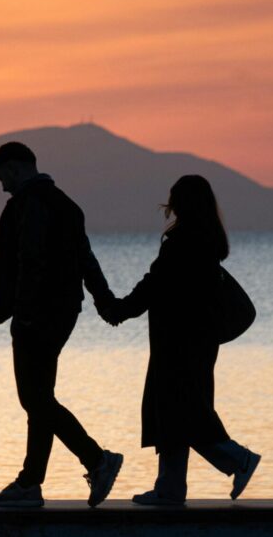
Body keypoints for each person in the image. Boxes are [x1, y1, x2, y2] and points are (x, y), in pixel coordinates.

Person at [99, 174, 260, 505]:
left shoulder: (182, 242)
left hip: (177, 342)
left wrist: (119, 309)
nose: (169, 206)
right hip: (198, 341)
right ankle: (170, 488)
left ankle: (236, 459)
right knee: (177, 412)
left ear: (182, 203)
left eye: (173, 200)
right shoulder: (206, 242)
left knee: (182, 412)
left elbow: (153, 285)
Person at [0, 140, 123, 508]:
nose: (1, 185)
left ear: (15, 169)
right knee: (39, 398)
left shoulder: (31, 206)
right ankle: (31, 483)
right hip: (63, 312)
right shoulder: (65, 204)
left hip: (38, 314)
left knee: (34, 398)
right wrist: (103, 300)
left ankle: (97, 459)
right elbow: (86, 259)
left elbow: (31, 261)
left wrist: (24, 312)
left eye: (2, 177)